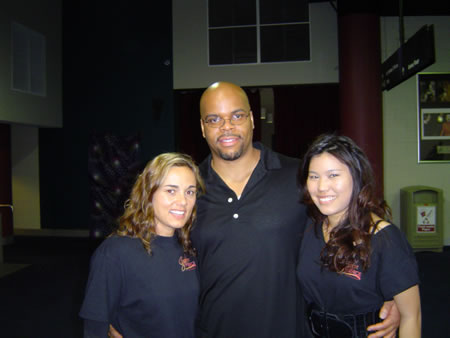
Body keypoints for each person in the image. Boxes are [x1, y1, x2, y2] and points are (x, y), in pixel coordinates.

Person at [190, 81, 400, 338]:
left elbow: (349, 223)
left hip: (288, 328)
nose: (227, 126)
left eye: (237, 115)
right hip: (213, 330)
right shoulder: (189, 189)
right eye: (214, 119)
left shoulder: (298, 176)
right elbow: (159, 249)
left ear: (252, 119)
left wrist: (391, 293)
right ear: (202, 128)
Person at [297, 134, 421, 338]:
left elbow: (411, 317)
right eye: (314, 176)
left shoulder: (384, 239)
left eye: (333, 175)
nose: (321, 187)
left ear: (356, 177)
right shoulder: (310, 227)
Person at [79, 152, 205, 338]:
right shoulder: (115, 253)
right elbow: (95, 326)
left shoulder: (190, 247)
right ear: (148, 193)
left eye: (190, 192)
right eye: (171, 190)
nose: (183, 202)